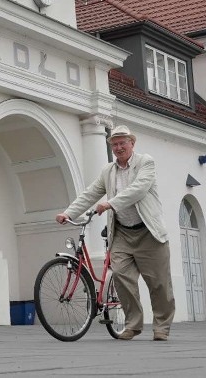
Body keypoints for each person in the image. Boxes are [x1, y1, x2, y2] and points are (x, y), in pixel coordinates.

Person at [56, 125, 175, 341]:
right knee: (121, 276)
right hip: (122, 234)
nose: (119, 147)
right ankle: (133, 324)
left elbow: (138, 189)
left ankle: (162, 327)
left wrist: (110, 204)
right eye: (115, 144)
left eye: (123, 143)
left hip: (149, 232)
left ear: (132, 143)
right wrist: (68, 212)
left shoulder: (145, 163)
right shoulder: (108, 171)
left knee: (159, 284)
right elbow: (90, 193)